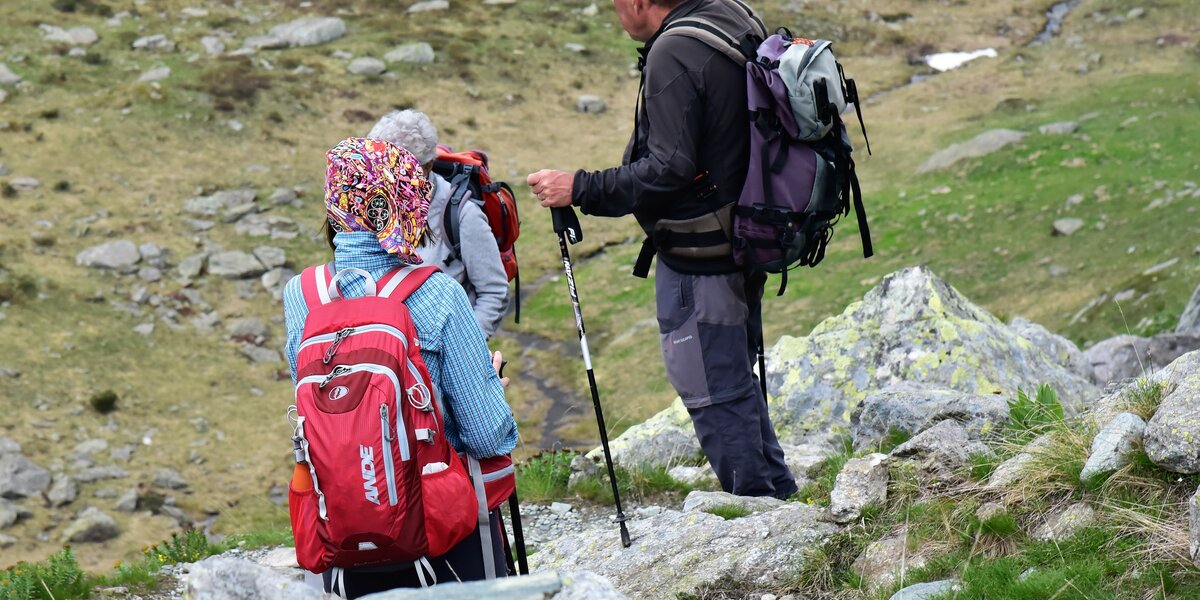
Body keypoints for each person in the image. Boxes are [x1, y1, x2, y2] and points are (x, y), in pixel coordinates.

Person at [526, 0, 797, 500]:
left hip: (703, 252)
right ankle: (782, 499)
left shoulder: (672, 50)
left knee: (712, 387)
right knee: (733, 377)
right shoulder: (729, 11)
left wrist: (579, 187)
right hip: (748, 230)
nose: (614, 12)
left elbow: (669, 166)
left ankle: (762, 515)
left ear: (639, 2)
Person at [283, 137, 518, 597]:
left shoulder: (302, 295)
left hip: (342, 525)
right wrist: (488, 383)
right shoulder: (438, 293)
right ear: (405, 202)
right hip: (438, 530)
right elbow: (488, 435)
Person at [367, 110, 510, 339]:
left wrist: (465, 350)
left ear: (428, 166)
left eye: (403, 171)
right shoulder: (371, 206)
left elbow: (494, 291)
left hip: (441, 361)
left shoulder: (462, 216)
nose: (391, 181)